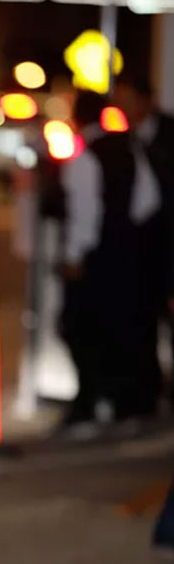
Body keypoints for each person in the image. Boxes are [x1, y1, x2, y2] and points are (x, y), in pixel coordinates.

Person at [59, 90, 161, 434]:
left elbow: (84, 214)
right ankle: (129, 403)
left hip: (95, 259)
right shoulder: (129, 149)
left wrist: (74, 256)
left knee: (81, 329)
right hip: (127, 255)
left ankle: (91, 403)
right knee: (127, 328)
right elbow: (147, 201)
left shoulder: (86, 157)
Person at [114, 73, 174, 404]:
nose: (122, 108)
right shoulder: (125, 140)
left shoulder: (167, 136)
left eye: (127, 100)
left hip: (167, 249)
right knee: (142, 325)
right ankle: (147, 394)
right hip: (141, 254)